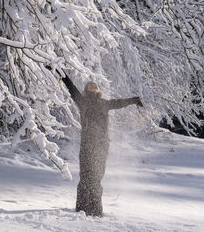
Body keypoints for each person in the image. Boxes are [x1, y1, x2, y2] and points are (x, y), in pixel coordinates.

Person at [61, 74, 143, 217]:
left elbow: (119, 103)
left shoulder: (104, 103)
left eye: (95, 85)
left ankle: (96, 209)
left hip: (102, 145)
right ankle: (81, 209)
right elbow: (71, 87)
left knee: (97, 176)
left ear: (98, 90)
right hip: (87, 144)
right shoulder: (82, 101)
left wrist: (134, 100)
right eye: (89, 85)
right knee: (86, 176)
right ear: (86, 90)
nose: (93, 86)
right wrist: (61, 74)